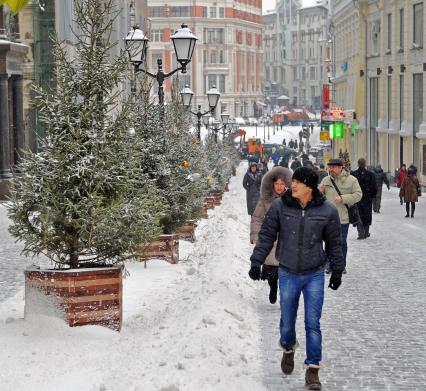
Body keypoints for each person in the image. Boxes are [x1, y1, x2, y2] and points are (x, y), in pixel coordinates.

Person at [249, 167, 345, 390]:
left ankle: (313, 369)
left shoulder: (327, 210)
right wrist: (256, 261)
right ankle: (288, 348)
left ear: (308, 186)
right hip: (288, 271)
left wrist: (337, 270)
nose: (292, 185)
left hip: (314, 274)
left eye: (297, 182)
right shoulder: (281, 207)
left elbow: (334, 244)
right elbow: (266, 235)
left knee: (313, 323)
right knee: (287, 320)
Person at [250, 166, 292, 304]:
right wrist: (255, 236)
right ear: (272, 184)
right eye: (277, 184)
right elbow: (257, 217)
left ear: (286, 184)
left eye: (282, 184)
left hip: (288, 239)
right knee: (272, 273)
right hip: (270, 238)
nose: (279, 187)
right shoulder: (265, 200)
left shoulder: (293, 199)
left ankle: (284, 297)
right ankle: (273, 287)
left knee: (286, 272)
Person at [319, 159, 362, 272]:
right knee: (328, 242)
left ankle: (341, 266)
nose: (330, 169)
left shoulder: (351, 180)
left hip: (343, 218)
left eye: (333, 167)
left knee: (341, 242)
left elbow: (358, 195)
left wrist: (343, 199)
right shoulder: (326, 180)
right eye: (330, 167)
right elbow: (317, 198)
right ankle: (329, 264)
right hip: (328, 218)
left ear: (340, 167)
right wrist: (319, 191)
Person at [351, 158, 377, 239]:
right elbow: (374, 188)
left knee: (358, 216)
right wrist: (371, 195)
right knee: (367, 215)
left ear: (358, 164)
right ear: (365, 164)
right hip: (367, 198)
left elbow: (350, 187)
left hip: (357, 198)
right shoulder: (370, 175)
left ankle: (361, 233)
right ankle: (366, 232)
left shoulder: (354, 175)